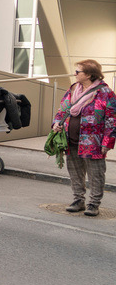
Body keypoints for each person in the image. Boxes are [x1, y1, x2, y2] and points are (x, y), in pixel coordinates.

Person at [51, 60, 116, 217]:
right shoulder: (73, 89)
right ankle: (78, 200)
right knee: (75, 172)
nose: (75, 74)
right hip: (71, 139)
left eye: (78, 72)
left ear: (88, 74)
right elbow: (62, 110)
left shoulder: (105, 93)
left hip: (93, 142)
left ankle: (94, 203)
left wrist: (107, 142)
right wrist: (56, 124)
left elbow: (112, 120)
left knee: (96, 174)